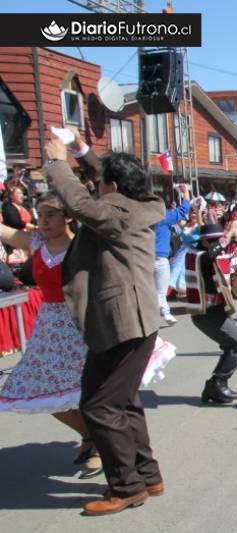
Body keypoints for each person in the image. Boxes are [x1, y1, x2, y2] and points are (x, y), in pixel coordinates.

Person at [42, 135, 165, 515]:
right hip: (132, 322)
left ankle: (126, 487)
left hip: (121, 323)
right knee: (122, 403)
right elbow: (107, 182)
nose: (98, 185)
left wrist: (57, 163)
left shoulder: (116, 213)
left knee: (97, 405)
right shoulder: (139, 203)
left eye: (103, 182)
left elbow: (79, 202)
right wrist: (81, 151)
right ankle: (146, 475)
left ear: (112, 187)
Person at [0, 193, 102, 479]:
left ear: (68, 217)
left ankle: (99, 446)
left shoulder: (82, 244)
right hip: (50, 325)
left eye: (50, 216)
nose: (42, 222)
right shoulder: (36, 243)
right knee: (40, 391)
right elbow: (5, 231)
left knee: (88, 393)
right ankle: (90, 435)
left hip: (81, 321)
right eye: (40, 216)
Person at [185, 220, 237, 404]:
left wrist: (231, 235)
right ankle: (217, 383)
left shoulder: (207, 254)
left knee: (233, 346)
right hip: (205, 314)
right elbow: (210, 256)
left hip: (216, 311)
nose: (218, 245)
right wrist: (227, 234)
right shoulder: (198, 256)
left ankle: (214, 387)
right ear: (205, 242)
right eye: (213, 241)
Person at [154, 183, 191, 326]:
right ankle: (166, 314)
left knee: (154, 291)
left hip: (143, 259)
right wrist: (185, 192)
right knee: (160, 291)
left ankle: (164, 313)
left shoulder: (142, 219)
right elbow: (184, 209)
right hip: (160, 259)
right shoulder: (164, 218)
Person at [169, 203, 203, 299]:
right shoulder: (186, 224)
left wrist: (198, 212)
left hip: (195, 251)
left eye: (195, 213)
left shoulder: (200, 225)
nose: (194, 215)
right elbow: (178, 219)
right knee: (176, 270)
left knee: (190, 274)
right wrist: (175, 209)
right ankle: (183, 291)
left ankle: (192, 294)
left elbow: (203, 226)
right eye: (192, 213)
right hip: (183, 251)